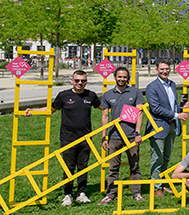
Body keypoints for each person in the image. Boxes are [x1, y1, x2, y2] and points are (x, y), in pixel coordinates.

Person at [26, 70, 102, 206]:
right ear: (72, 81)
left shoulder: (91, 95)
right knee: (68, 167)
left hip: (86, 138)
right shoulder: (63, 95)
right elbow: (51, 109)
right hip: (68, 138)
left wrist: (122, 107)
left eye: (83, 80)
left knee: (83, 166)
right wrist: (33, 111)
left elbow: (103, 108)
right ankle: (68, 194)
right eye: (77, 80)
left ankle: (81, 193)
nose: (80, 83)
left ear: (86, 81)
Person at [98, 67, 145, 205]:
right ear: (115, 77)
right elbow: (105, 116)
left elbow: (140, 113)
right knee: (113, 167)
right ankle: (110, 194)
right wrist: (104, 137)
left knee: (134, 166)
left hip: (131, 135)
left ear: (128, 78)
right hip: (114, 136)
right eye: (119, 77)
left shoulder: (135, 92)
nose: (122, 79)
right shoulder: (108, 95)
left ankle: (137, 193)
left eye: (124, 77)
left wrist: (137, 133)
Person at [145, 60, 188, 198]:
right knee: (157, 158)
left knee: (166, 157)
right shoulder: (151, 87)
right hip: (158, 127)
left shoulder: (172, 84)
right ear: (156, 70)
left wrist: (181, 108)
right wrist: (177, 115)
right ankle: (156, 187)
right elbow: (155, 108)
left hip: (171, 126)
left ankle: (162, 183)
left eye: (167, 69)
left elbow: (171, 105)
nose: (165, 71)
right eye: (162, 69)